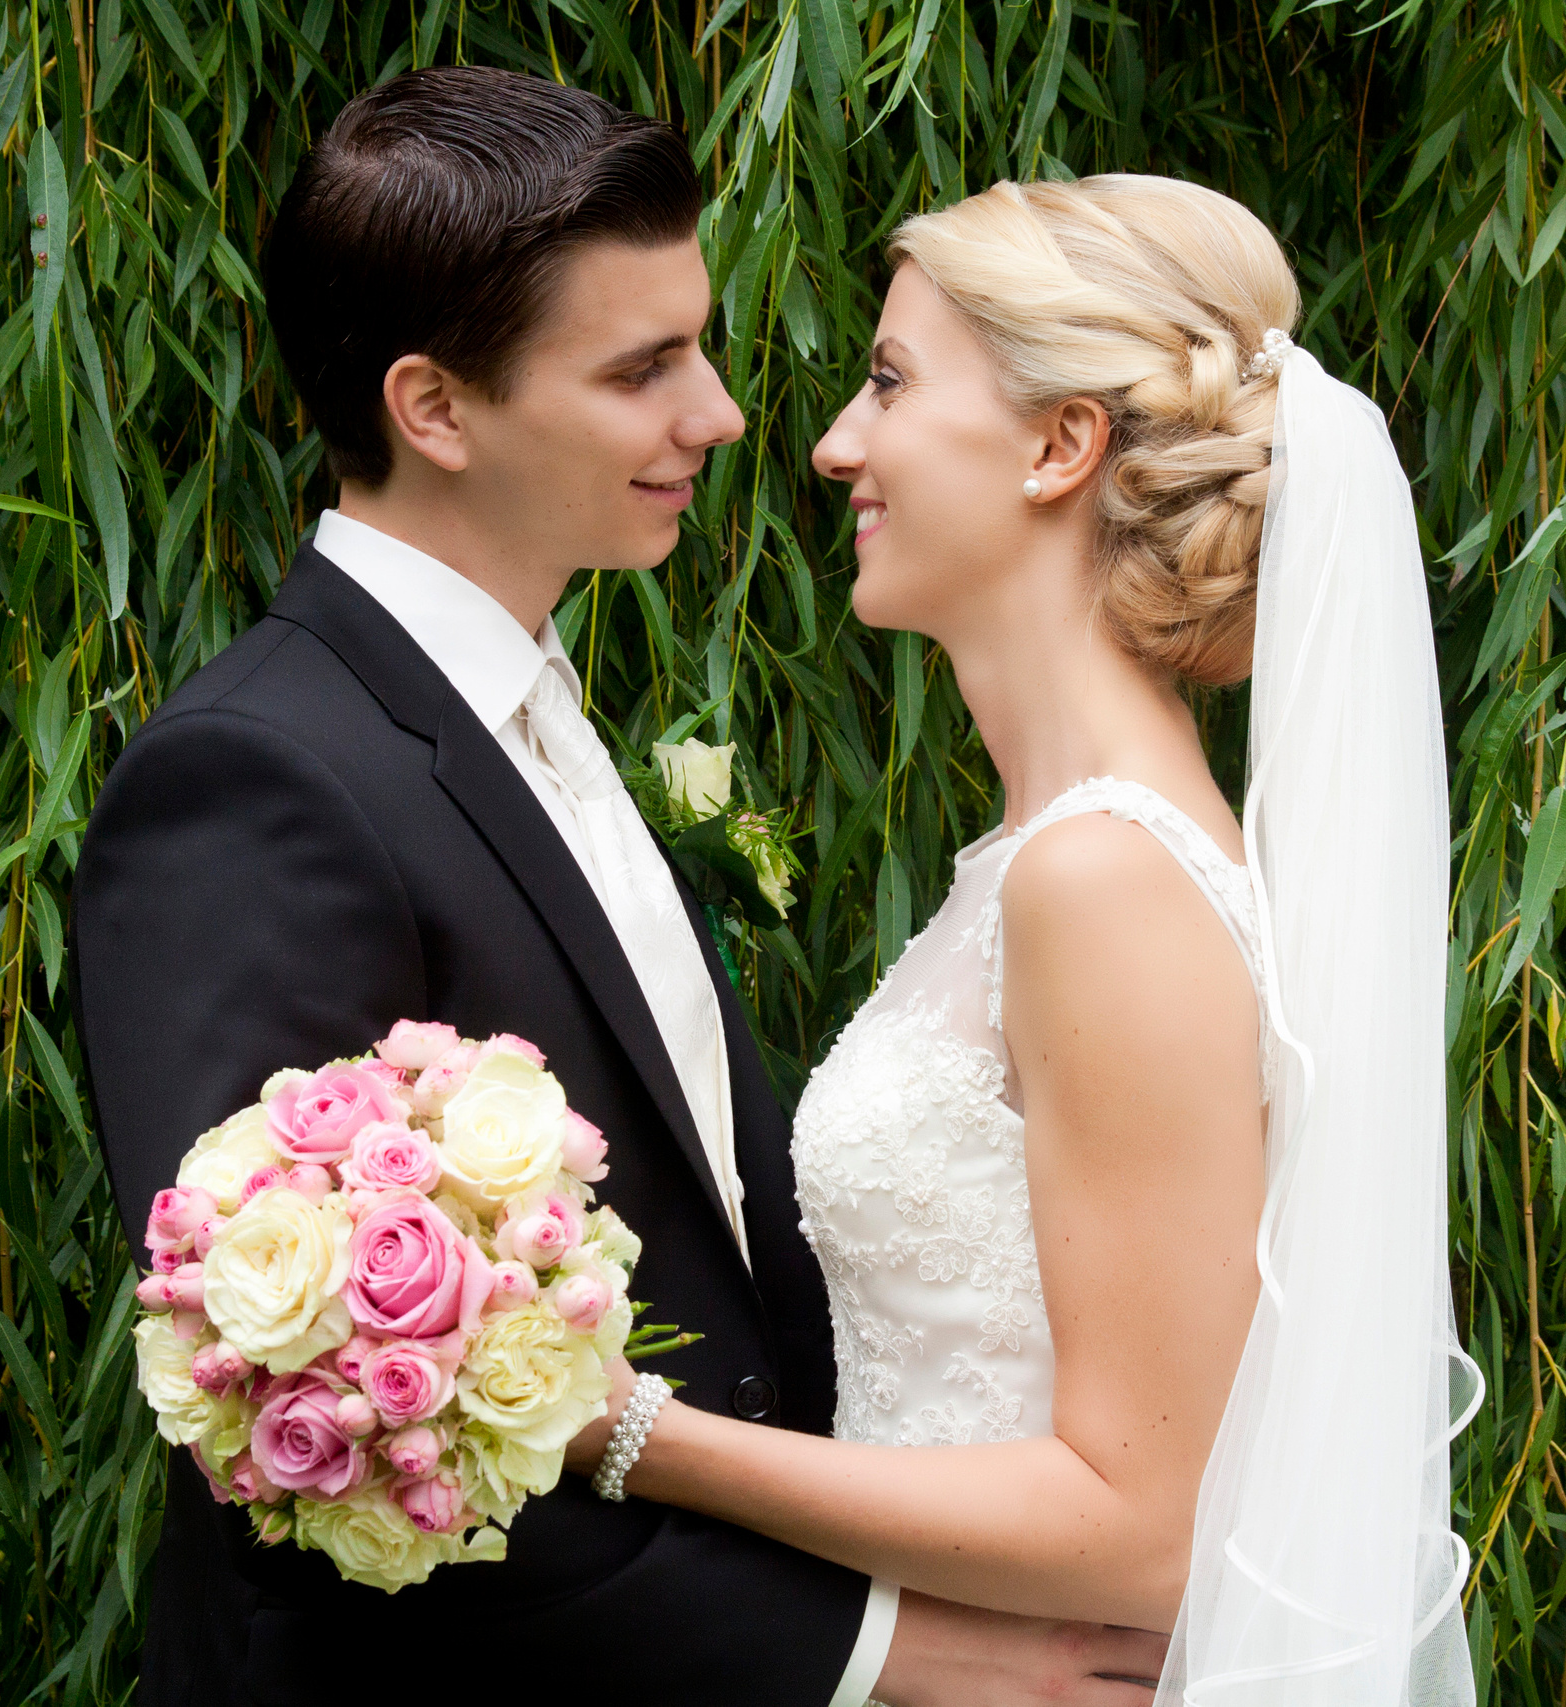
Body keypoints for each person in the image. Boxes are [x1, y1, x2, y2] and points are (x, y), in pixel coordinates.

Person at [75, 69, 1165, 1707]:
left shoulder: (529, 720)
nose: (720, 415)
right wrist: (880, 1651)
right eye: (642, 369)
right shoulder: (255, 785)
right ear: (437, 410)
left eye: (698, 348)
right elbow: (311, 1423)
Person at [561, 175, 1483, 1706]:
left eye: (890, 382)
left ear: (1062, 447)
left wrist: (634, 1435)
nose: (834, 445)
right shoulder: (1040, 862)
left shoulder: (1102, 878)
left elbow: (1146, 1526)